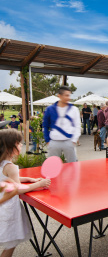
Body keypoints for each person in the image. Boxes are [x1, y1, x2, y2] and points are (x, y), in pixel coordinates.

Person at [0, 129, 51, 257]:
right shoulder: (10, 167)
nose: (21, 145)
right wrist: (38, 184)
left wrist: (28, 179)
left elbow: (7, 179)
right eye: (18, 143)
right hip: (8, 210)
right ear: (9, 148)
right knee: (10, 245)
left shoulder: (2, 164)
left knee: (8, 242)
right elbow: (18, 189)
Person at [43, 86, 81, 163]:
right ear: (59, 96)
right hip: (54, 142)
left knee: (73, 166)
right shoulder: (50, 109)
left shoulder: (74, 109)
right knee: (52, 167)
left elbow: (78, 126)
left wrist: (73, 141)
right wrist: (48, 141)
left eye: (69, 95)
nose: (69, 98)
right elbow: (45, 125)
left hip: (69, 141)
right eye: (66, 95)